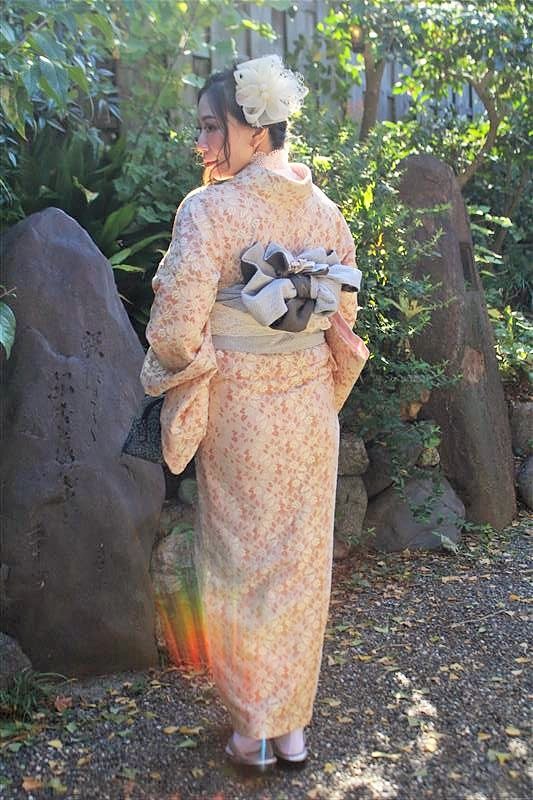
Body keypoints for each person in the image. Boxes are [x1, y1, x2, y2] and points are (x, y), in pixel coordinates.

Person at [140, 54, 363, 769]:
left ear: (254, 131)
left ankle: (251, 731)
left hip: (240, 410)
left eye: (212, 128)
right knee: (298, 566)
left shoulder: (208, 210)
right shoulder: (323, 211)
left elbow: (175, 328)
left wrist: (190, 365)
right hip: (308, 408)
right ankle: (290, 728)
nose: (201, 144)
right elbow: (343, 313)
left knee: (239, 561)